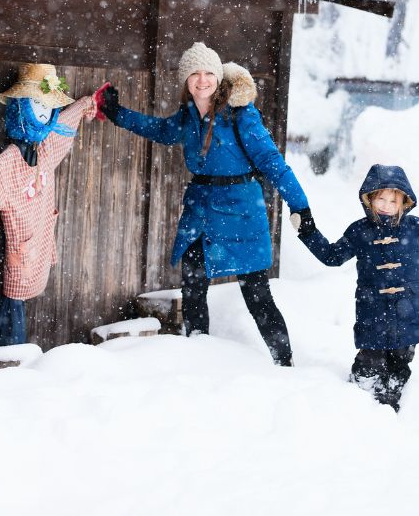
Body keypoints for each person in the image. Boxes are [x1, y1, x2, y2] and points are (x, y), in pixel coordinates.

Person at [98, 42, 308, 366]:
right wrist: (116, 113)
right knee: (193, 286)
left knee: (257, 296)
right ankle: (199, 359)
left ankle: (286, 364)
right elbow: (158, 130)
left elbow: (271, 162)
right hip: (201, 211)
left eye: (209, 72)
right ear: (186, 79)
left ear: (218, 76)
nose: (202, 79)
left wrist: (300, 205)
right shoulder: (187, 117)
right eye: (195, 73)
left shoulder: (241, 115)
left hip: (241, 212)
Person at [0, 64, 96, 345]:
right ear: (21, 108)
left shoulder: (45, 150)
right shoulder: (10, 162)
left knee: (17, 307)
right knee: (14, 305)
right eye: (37, 104)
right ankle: (11, 359)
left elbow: (63, 126)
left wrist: (85, 105)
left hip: (40, 241)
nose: (43, 113)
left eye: (48, 107)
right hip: (22, 252)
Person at [294, 165, 419, 411]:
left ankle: (393, 407)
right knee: (369, 362)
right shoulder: (360, 231)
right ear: (369, 199)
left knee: (400, 362)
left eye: (392, 201)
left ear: (403, 203)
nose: (385, 205)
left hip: (408, 312)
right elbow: (332, 256)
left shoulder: (414, 229)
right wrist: (307, 231)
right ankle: (359, 407)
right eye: (380, 198)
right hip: (373, 311)